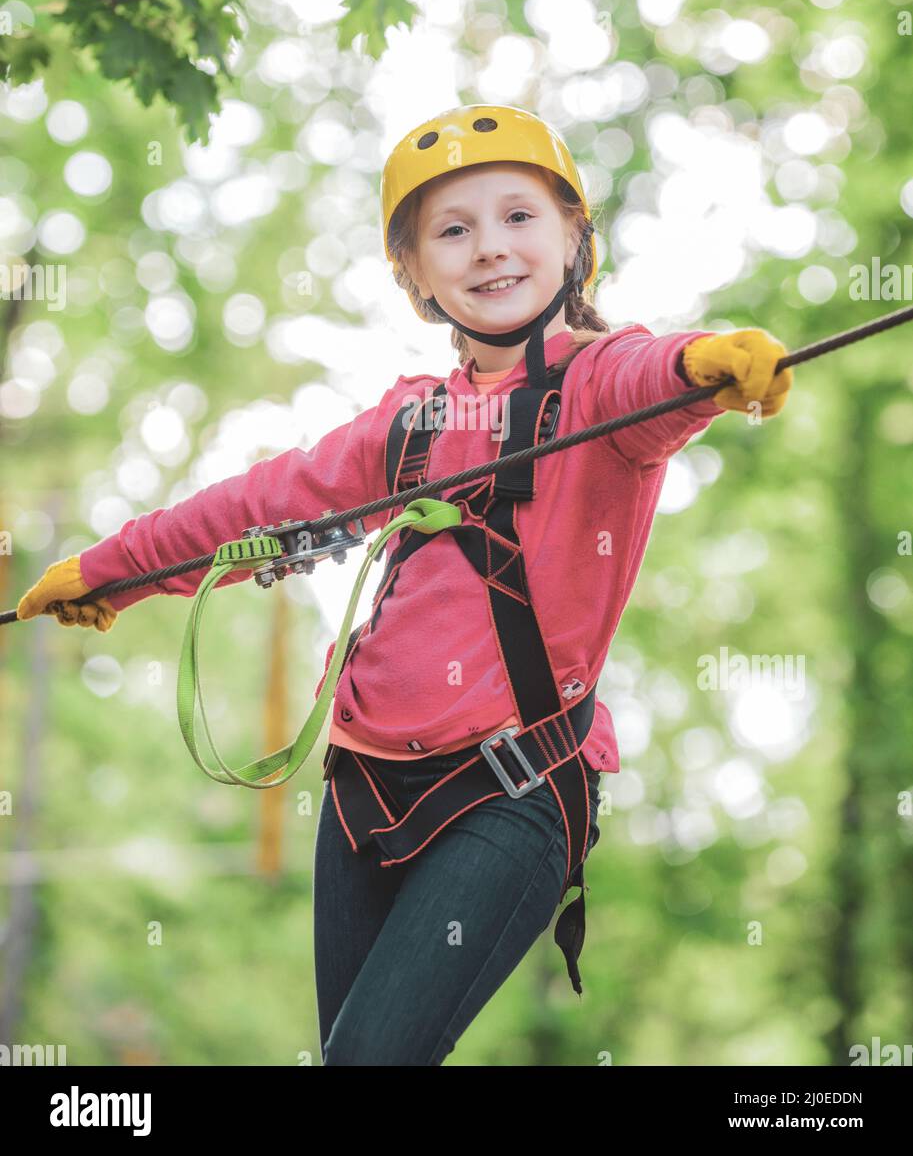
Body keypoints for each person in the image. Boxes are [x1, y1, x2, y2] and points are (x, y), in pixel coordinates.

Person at [17, 103, 793, 1066]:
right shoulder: (409, 421)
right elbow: (258, 500)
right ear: (417, 275)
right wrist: (111, 569)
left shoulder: (597, 388)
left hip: (509, 789)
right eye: (453, 231)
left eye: (518, 217)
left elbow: (651, 379)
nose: (490, 249)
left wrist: (705, 365)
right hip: (358, 791)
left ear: (572, 239)